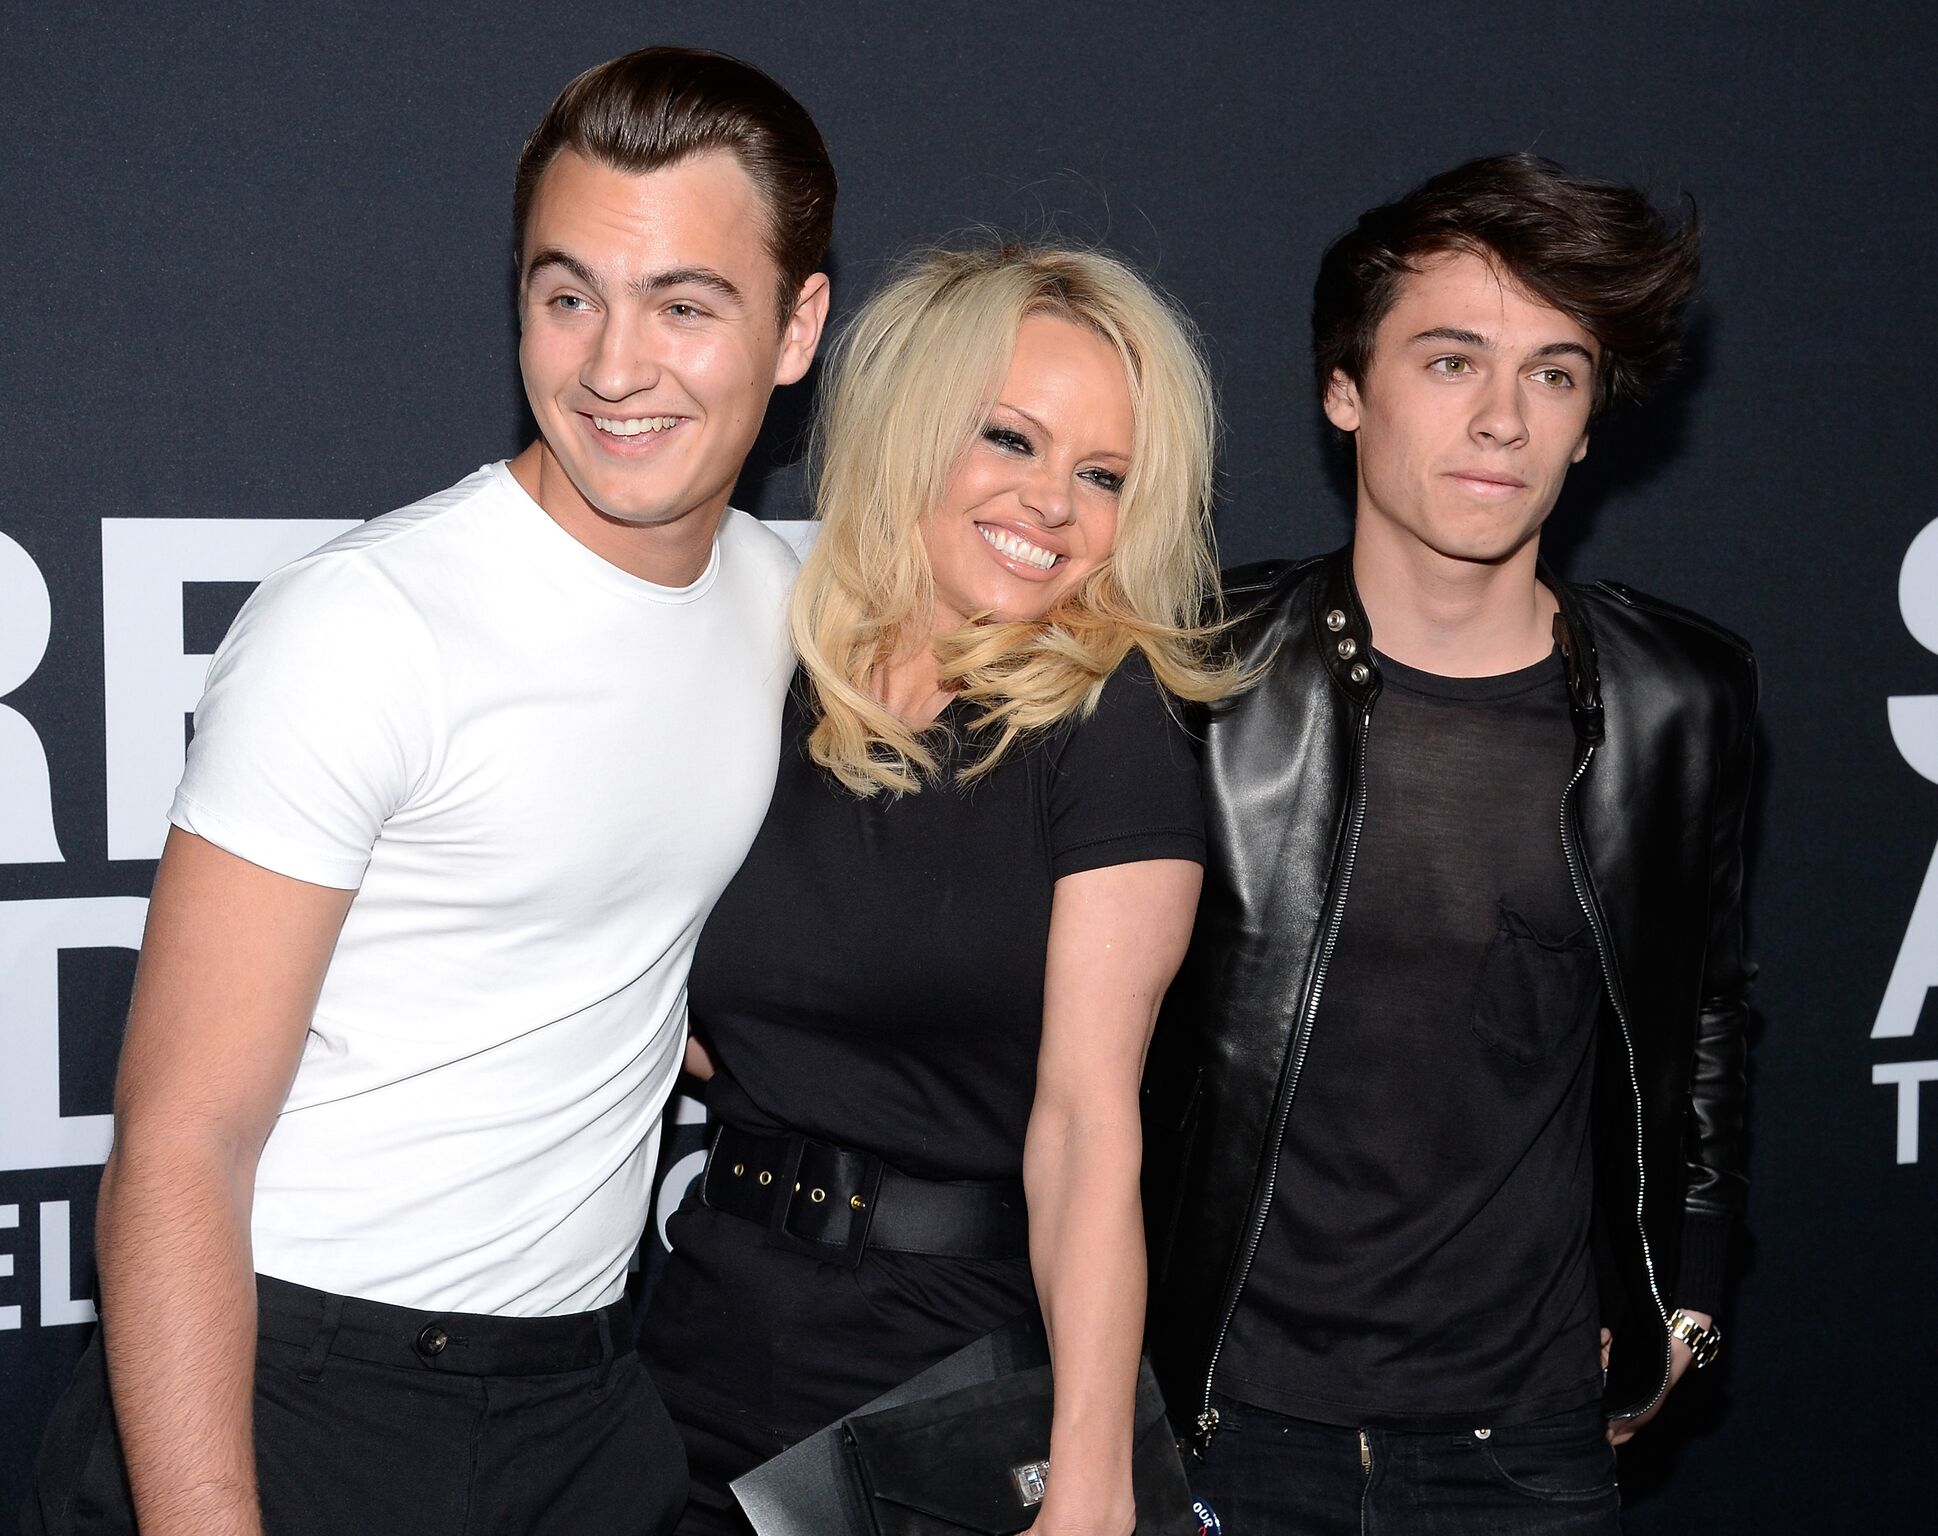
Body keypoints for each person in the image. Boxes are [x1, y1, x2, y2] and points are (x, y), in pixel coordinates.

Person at [23, 47, 833, 1536]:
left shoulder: (788, 596)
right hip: (293, 1382)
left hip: (587, 1393)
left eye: (685, 304)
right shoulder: (368, 626)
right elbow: (177, 1141)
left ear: (798, 328)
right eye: (567, 291)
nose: (612, 365)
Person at [1142, 154, 1755, 1534]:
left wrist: (1690, 1295)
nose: (1500, 419)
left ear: (1590, 421)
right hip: (1221, 1425)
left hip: (1528, 1441)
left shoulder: (1678, 698)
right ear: (1342, 388)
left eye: (1553, 372)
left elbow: (1702, 1010)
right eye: (1448, 360)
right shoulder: (1196, 677)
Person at [639, 242, 1234, 1536]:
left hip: (937, 1385)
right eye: (1009, 440)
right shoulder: (763, 666)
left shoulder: (1104, 725)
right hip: (693, 1335)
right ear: (912, 431)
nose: (1052, 504)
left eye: (1102, 476)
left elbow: (1086, 1129)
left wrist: (1090, 1479)